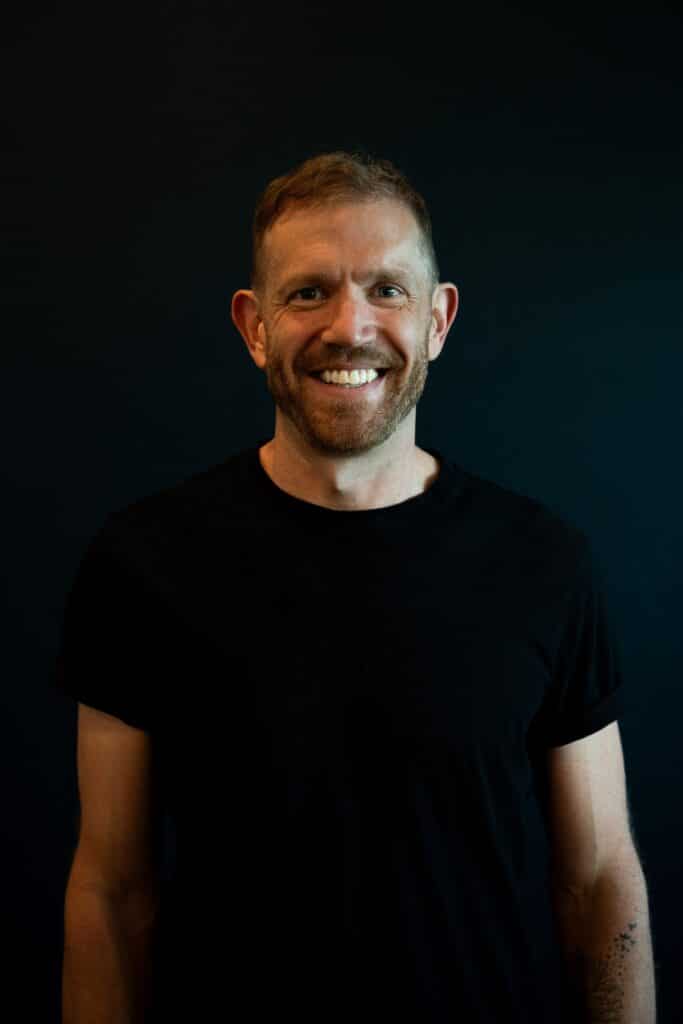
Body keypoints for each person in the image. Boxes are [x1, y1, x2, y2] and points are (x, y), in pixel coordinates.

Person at [56, 150, 656, 1022]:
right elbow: (111, 891)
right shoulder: (143, 562)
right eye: (308, 293)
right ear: (254, 325)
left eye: (386, 289)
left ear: (438, 318)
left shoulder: (543, 563)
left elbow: (600, 881)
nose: (349, 327)